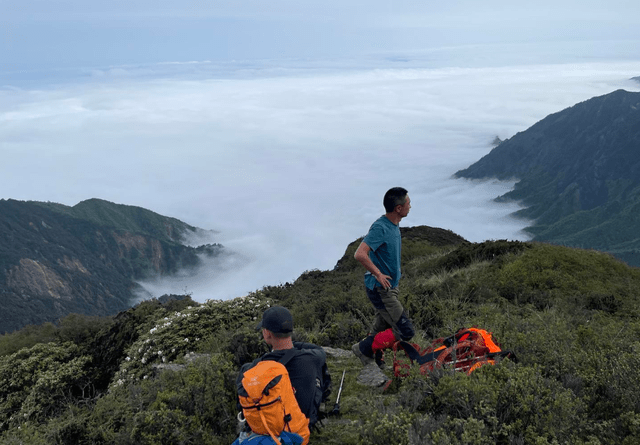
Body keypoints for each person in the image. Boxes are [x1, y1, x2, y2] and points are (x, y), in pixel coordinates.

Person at [236, 306, 330, 437]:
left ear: (267, 334)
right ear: (290, 330)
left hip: (270, 433)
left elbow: (240, 404)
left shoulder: (251, 368)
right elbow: (318, 349)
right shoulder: (314, 358)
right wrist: (290, 344)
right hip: (302, 428)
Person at [352, 187, 416, 371]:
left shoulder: (393, 225)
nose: (410, 206)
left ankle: (375, 360)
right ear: (398, 208)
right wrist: (378, 274)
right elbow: (360, 254)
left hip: (390, 287)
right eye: (408, 203)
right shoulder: (381, 227)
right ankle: (362, 349)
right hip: (381, 289)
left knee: (381, 328)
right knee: (405, 331)